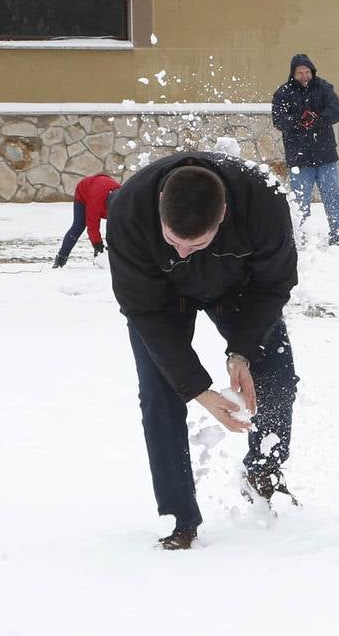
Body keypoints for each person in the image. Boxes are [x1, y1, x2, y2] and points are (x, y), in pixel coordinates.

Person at [107, 152, 301, 550]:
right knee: (161, 395)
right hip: (161, 302)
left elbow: (275, 284)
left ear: (224, 215)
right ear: (159, 208)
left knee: (277, 375)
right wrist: (196, 387)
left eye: (196, 243)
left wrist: (242, 351)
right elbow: (141, 308)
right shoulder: (129, 210)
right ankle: (181, 515)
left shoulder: (262, 200)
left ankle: (264, 472)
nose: (181, 253)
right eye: (171, 241)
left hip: (240, 291)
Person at [271, 53, 339, 247]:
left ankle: (338, 233)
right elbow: (278, 120)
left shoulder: (324, 88)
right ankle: (301, 238)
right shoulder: (283, 93)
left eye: (307, 71)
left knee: (333, 196)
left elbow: (335, 112)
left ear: (312, 71)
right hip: (298, 158)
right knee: (300, 202)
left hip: (325, 155)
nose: (304, 76)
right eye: (300, 72)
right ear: (293, 74)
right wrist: (298, 121)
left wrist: (317, 119)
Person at [52, 173, 121, 267]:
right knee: (79, 226)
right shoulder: (96, 203)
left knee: (115, 227)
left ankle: (109, 260)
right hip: (84, 191)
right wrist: (98, 245)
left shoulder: (124, 199)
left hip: (102, 186)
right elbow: (92, 226)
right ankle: (60, 259)